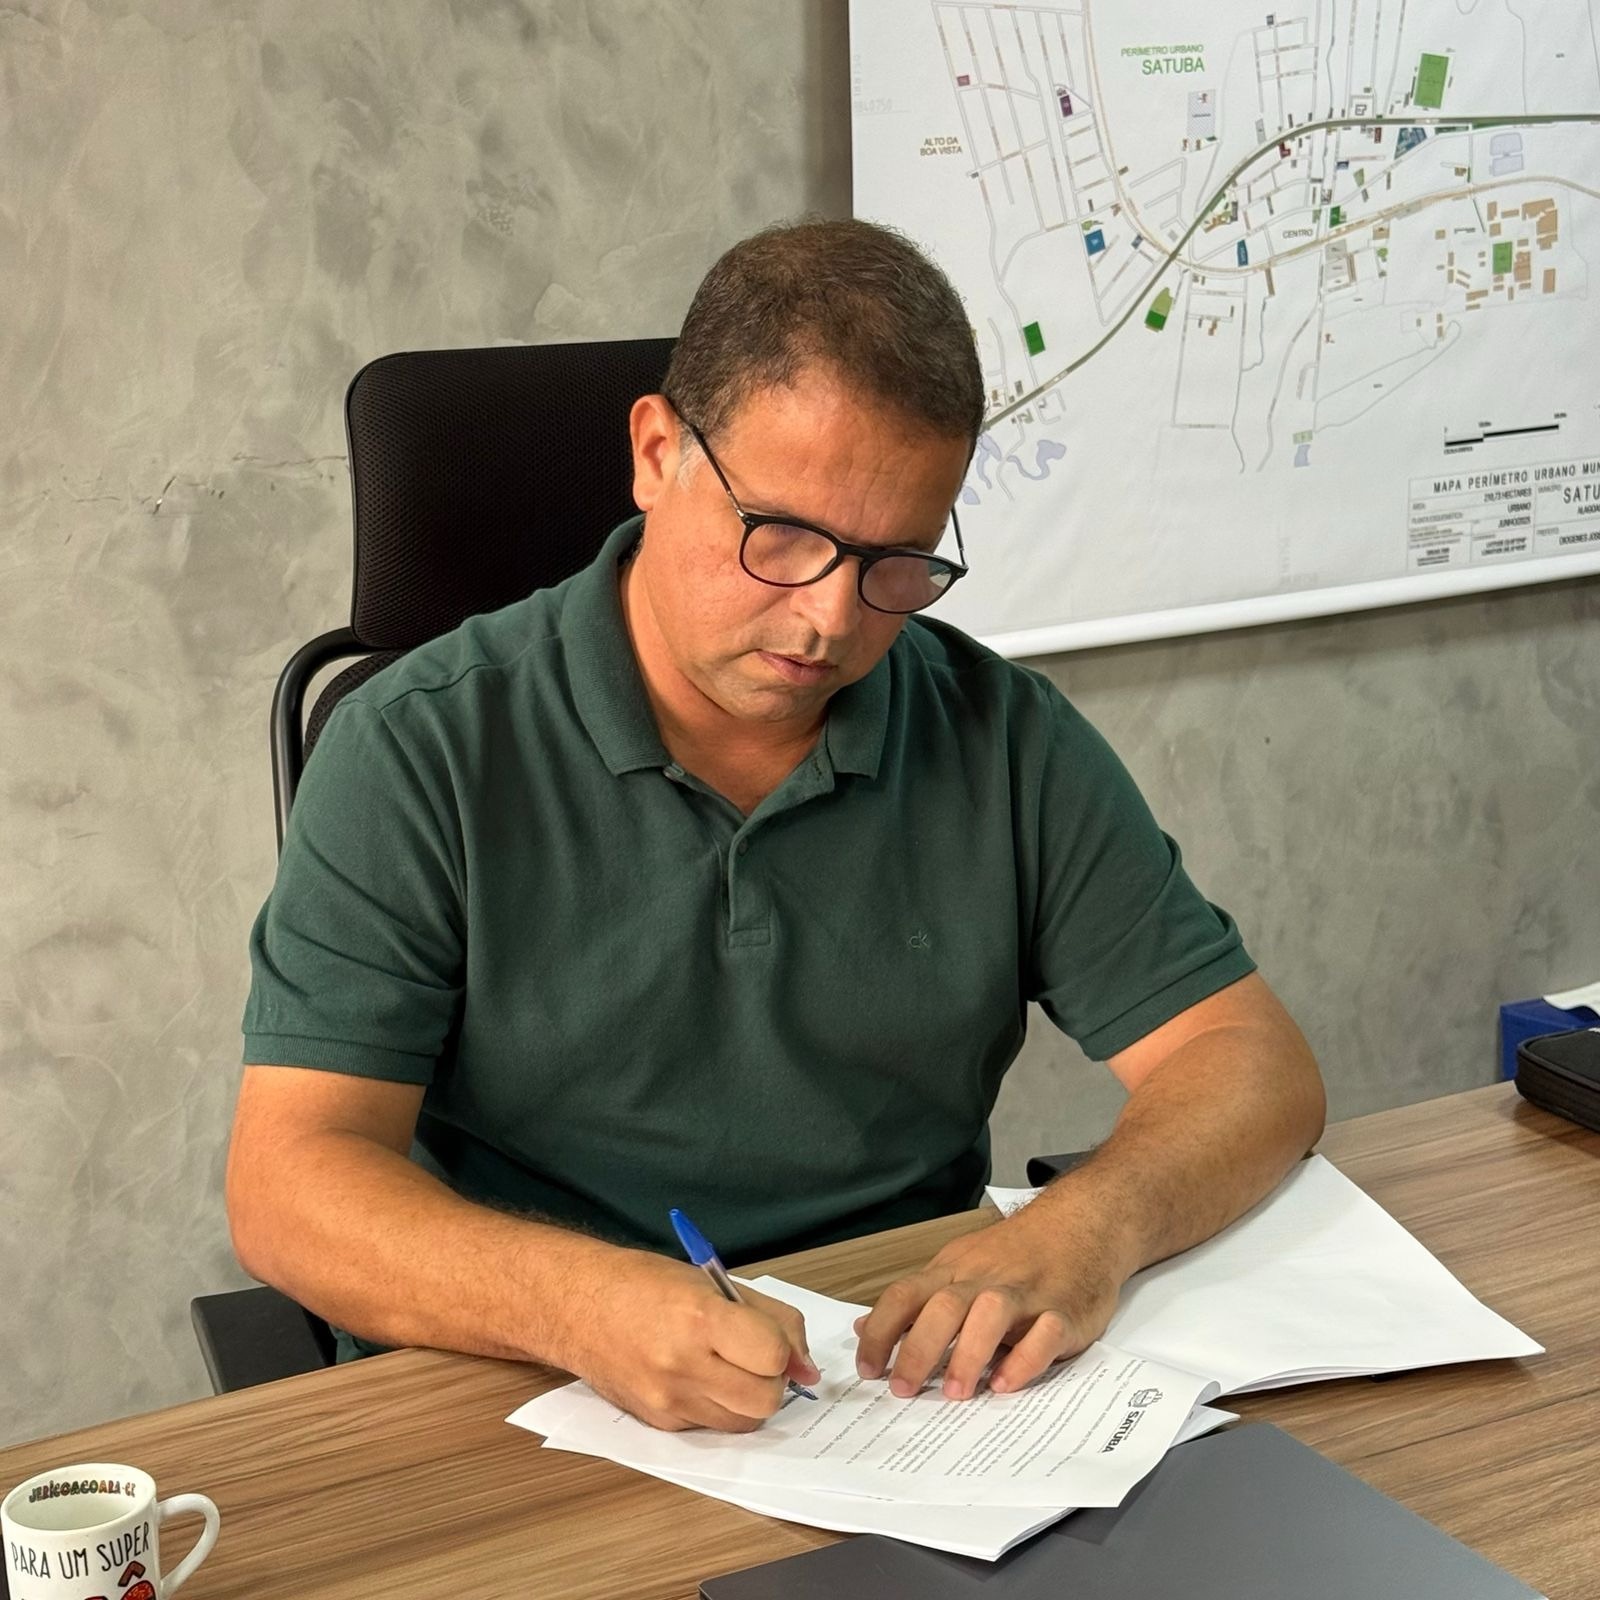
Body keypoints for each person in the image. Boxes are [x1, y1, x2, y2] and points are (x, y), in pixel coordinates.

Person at [229, 218, 1325, 1434]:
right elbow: (287, 1181)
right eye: (784, 538)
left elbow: (1248, 1058)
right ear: (656, 453)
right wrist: (581, 1305)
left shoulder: (1000, 737)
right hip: (522, 1386)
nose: (830, 621)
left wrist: (1088, 1228)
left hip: (895, 1391)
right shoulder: (417, 746)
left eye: (895, 564)